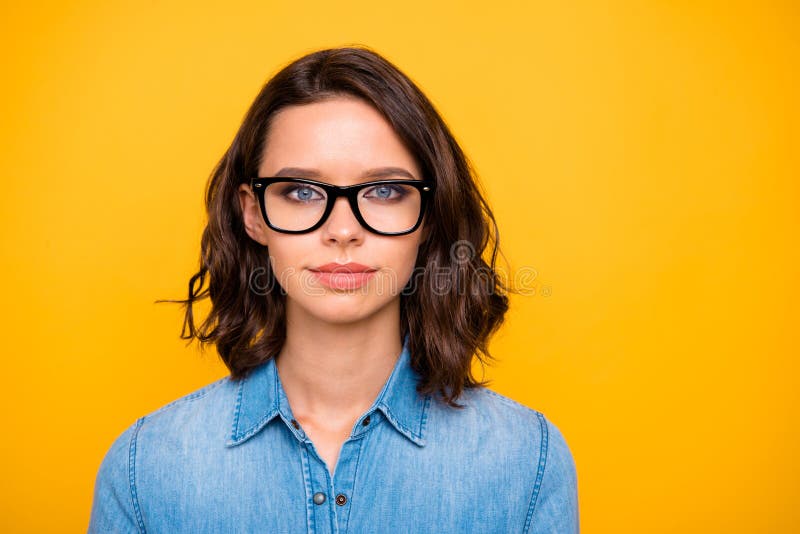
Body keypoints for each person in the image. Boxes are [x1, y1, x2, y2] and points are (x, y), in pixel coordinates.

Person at [88, 46, 579, 533]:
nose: (343, 230)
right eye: (302, 191)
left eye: (384, 190)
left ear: (429, 215)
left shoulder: (528, 462)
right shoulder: (144, 468)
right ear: (253, 213)